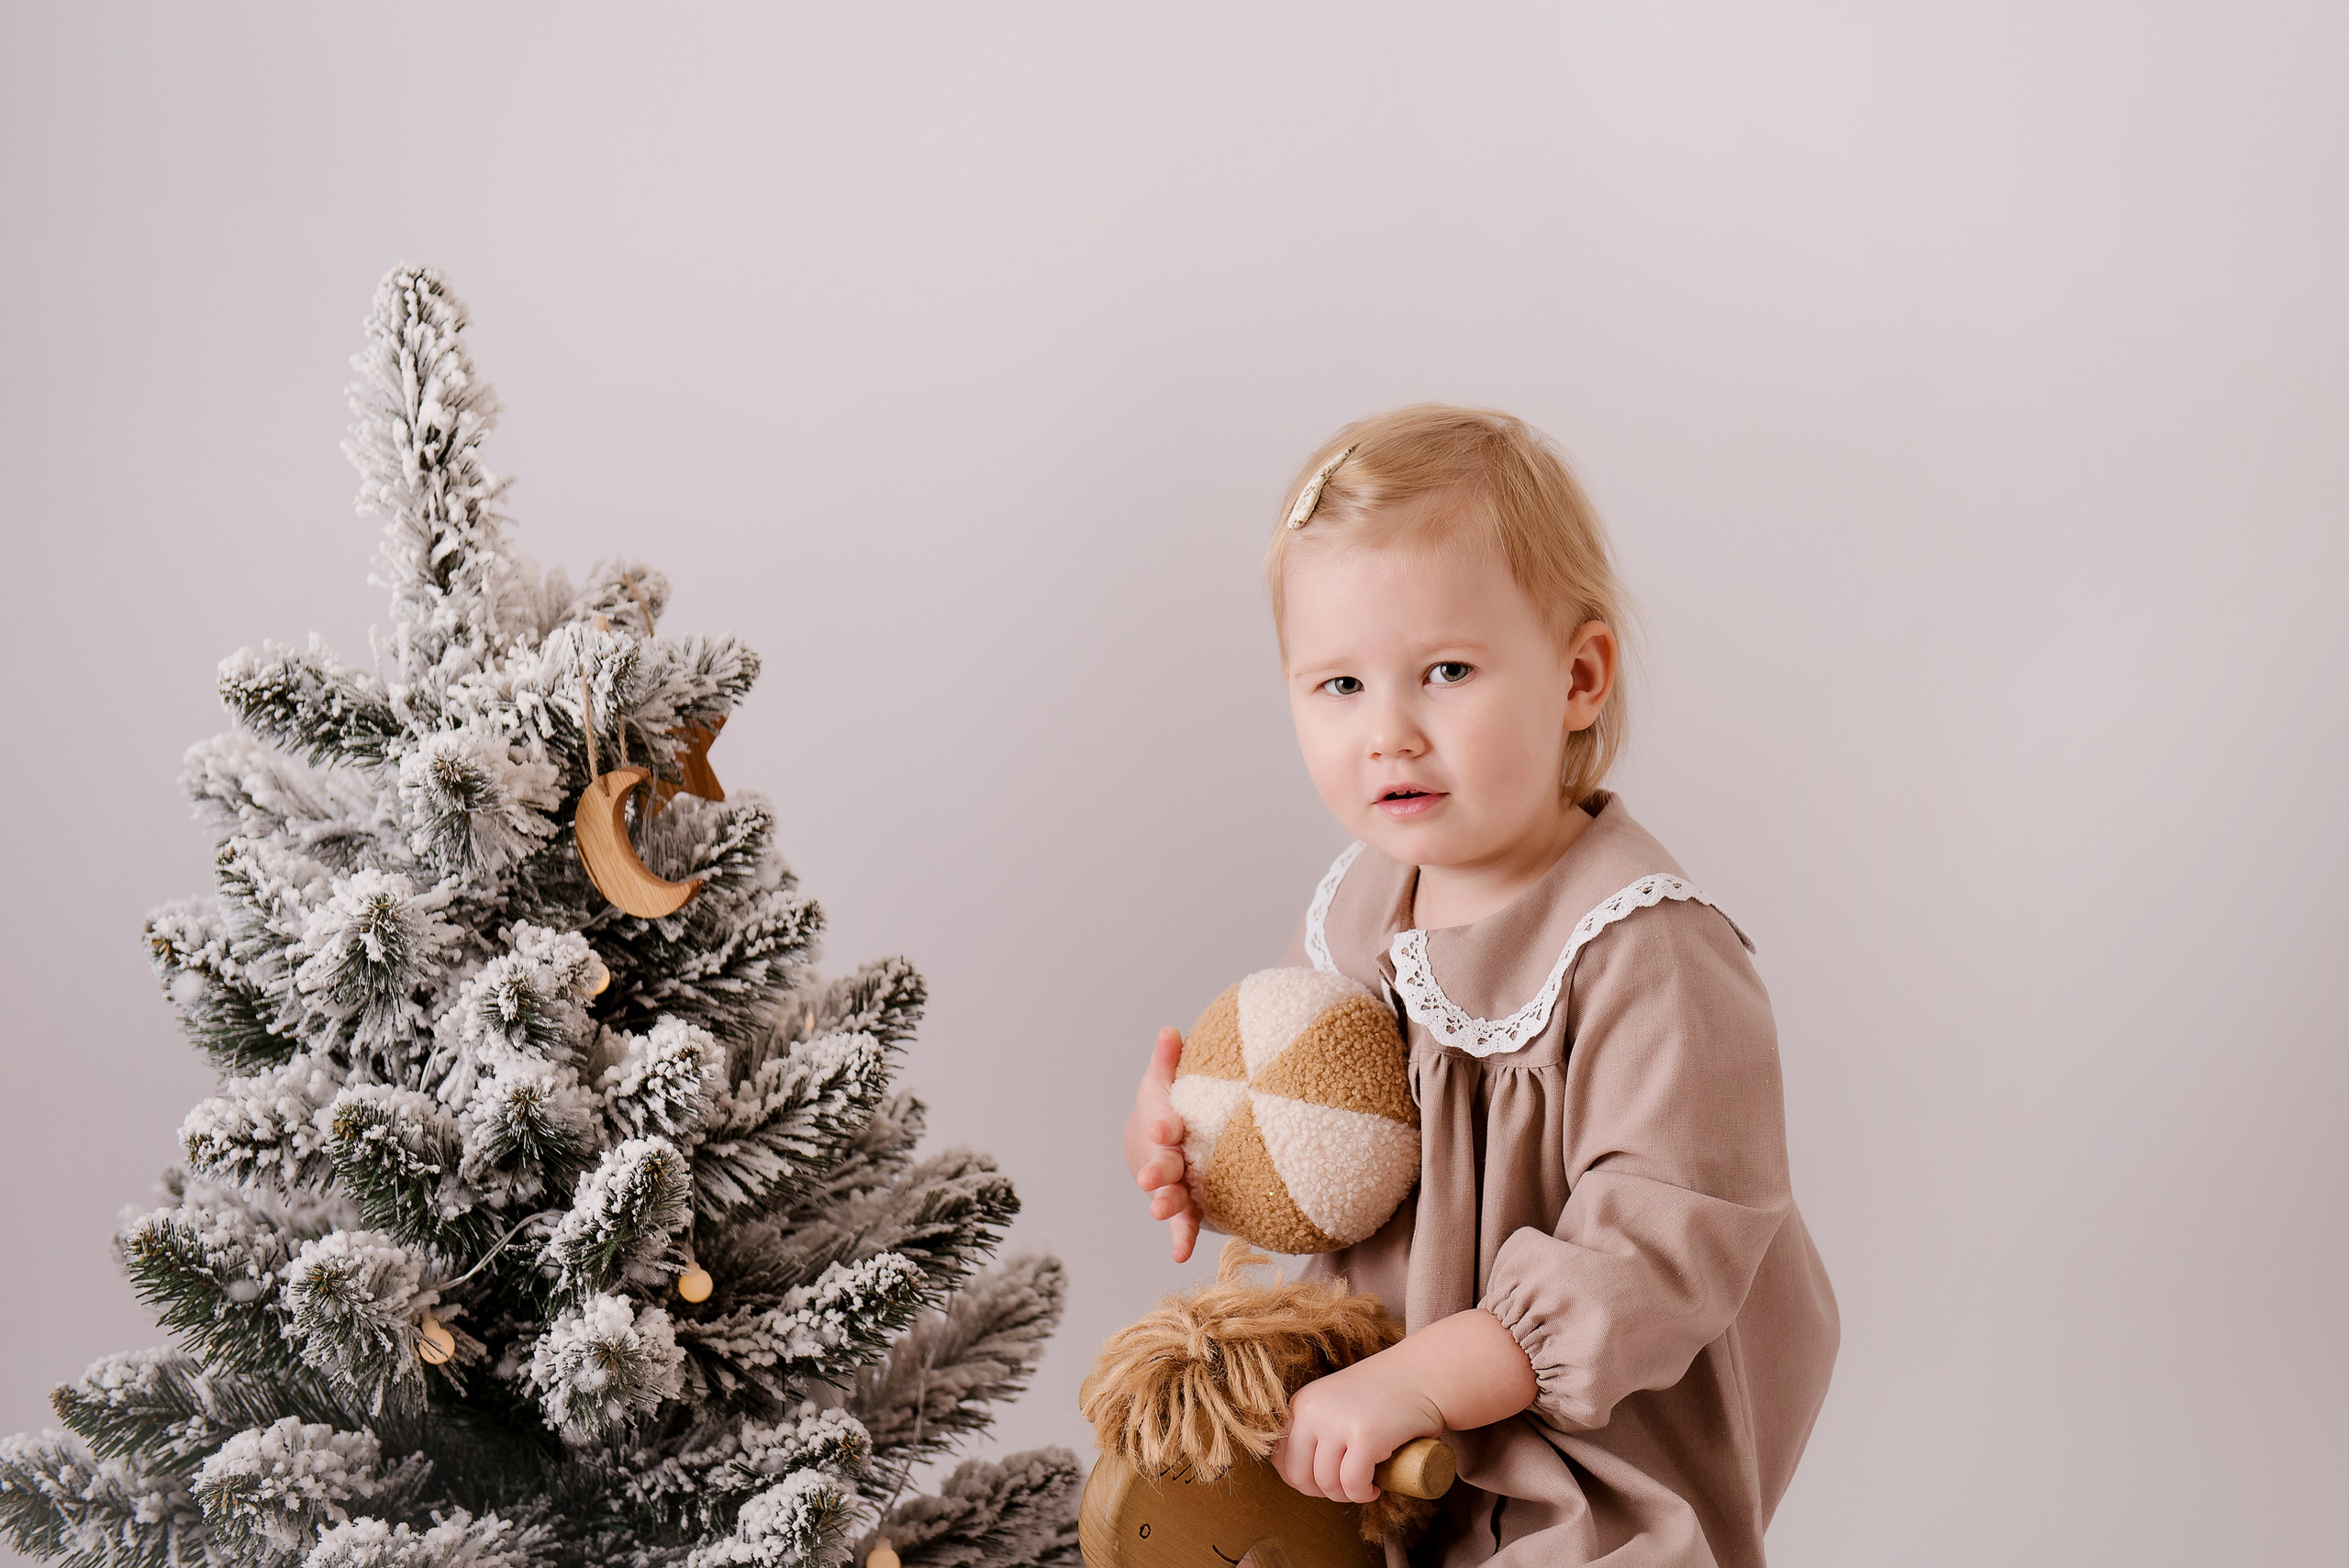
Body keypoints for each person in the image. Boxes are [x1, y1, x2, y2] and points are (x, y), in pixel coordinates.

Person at [1121, 406, 1839, 1566]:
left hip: (1573, 1460)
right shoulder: (1365, 901)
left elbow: (1651, 1253)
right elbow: (1349, 1149)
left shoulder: (1647, 952)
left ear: (1577, 676)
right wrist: (1211, 1149)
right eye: (1338, 685)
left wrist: (1422, 1377)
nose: (1388, 734)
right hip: (1383, 1441)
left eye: (1444, 671)